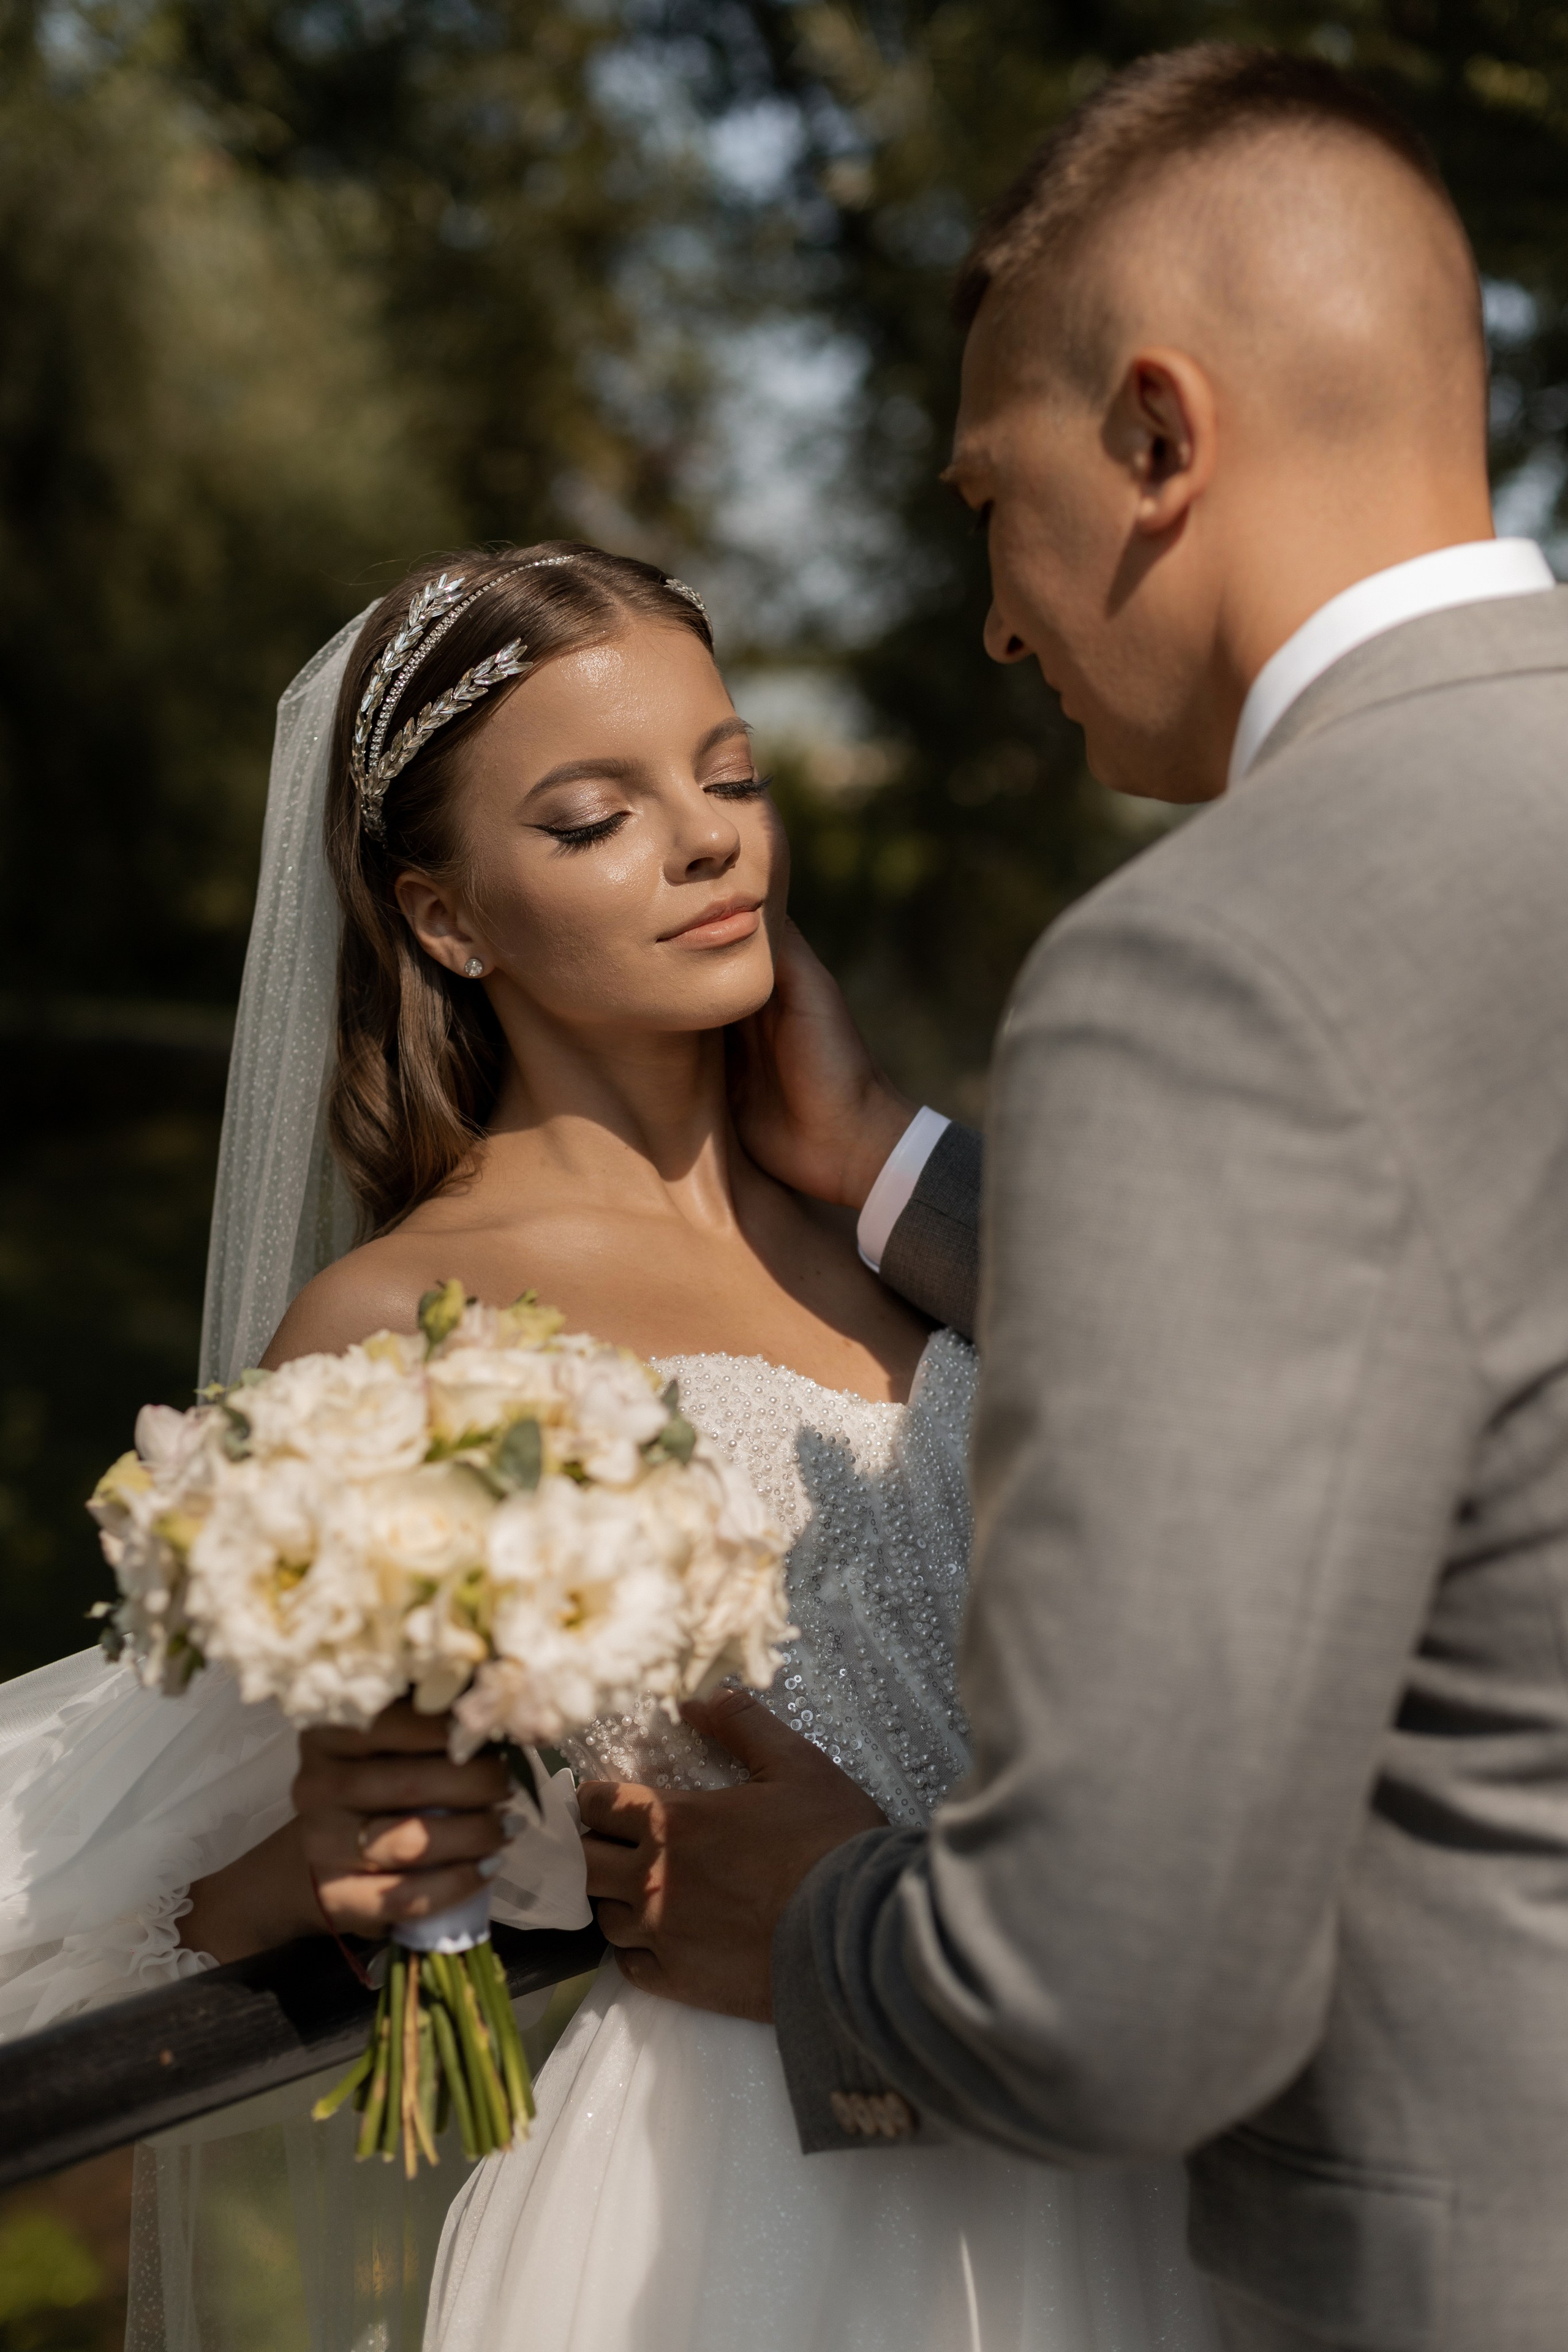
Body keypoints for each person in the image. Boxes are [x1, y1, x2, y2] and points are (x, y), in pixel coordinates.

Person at [577, 47, 1568, 2352]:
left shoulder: (1210, 964)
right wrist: (891, 1172)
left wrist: (811, 1919)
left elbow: (1113, 2000)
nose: (1002, 621)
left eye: (985, 498)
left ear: (1152, 435)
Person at [0, 540, 1221, 2352]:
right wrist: (331, 1860)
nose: (709, 838)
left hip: (1123, 2116)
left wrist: (877, 1134)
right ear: (446, 919)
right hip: (746, 2210)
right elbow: (193, 1862)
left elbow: (1234, 1452)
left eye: (729, 778)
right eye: (593, 817)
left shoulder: (909, 1223)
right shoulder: (404, 1330)